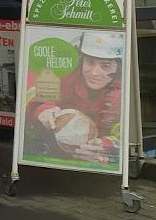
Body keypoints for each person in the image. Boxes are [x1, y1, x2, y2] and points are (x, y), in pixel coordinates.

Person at [25, 30, 123, 161]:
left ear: (119, 68)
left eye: (105, 66)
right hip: (43, 156)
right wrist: (43, 108)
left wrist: (105, 146)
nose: (94, 72)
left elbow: (125, 132)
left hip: (95, 167)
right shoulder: (65, 68)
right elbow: (33, 77)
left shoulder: (123, 90)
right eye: (89, 62)